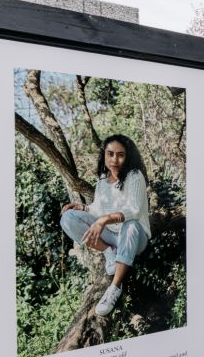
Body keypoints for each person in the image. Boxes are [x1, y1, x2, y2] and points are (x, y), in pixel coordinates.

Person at [60, 135, 151, 317]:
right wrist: (84, 208)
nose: (114, 160)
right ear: (104, 155)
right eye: (110, 154)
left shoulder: (135, 176)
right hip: (112, 235)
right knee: (68, 218)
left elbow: (133, 211)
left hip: (135, 237)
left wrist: (102, 221)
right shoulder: (103, 179)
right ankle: (109, 251)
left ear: (127, 157)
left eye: (120, 155)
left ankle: (115, 287)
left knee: (130, 225)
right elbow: (99, 208)